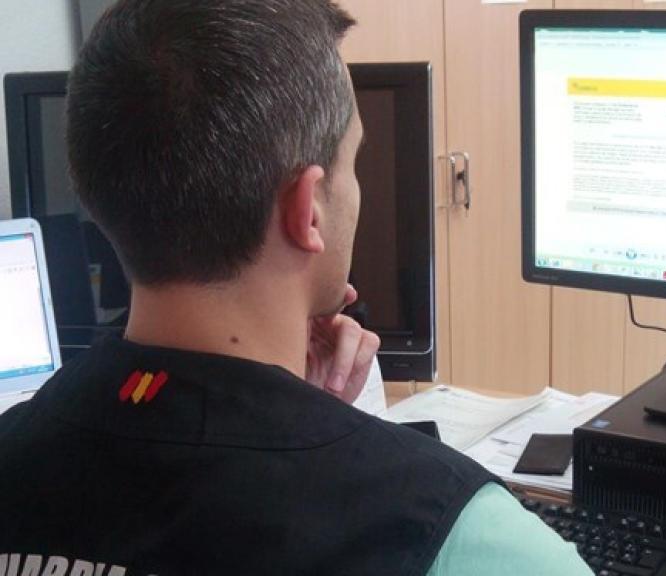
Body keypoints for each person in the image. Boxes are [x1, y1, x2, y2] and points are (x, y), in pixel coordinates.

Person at [0, 1, 591, 575]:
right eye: (352, 161)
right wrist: (316, 445)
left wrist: (295, 418)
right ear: (307, 209)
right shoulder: (448, 529)